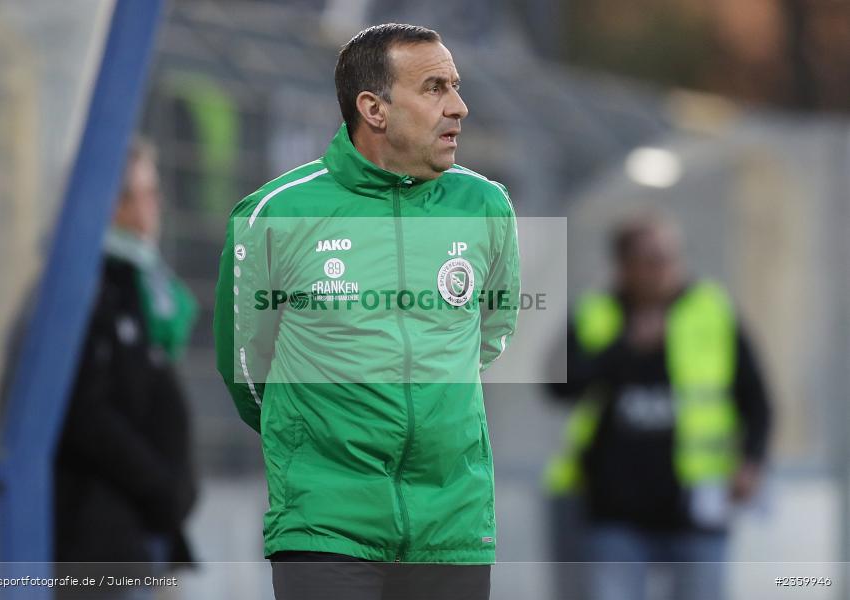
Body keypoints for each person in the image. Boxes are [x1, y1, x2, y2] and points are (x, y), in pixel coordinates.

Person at [213, 23, 520, 600]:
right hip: (327, 520)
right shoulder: (274, 213)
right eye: (434, 88)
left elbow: (491, 333)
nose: (459, 106)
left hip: (452, 519)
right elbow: (246, 366)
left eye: (455, 86)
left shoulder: (485, 205)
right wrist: (312, 433)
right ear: (373, 108)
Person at [543, 212, 772, 600]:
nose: (665, 269)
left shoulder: (711, 311)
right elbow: (559, 387)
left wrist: (751, 461)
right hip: (613, 510)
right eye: (651, 259)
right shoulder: (596, 313)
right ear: (623, 266)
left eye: (671, 257)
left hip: (697, 507)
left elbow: (757, 400)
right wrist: (623, 349)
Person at [55, 139, 198, 598]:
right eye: (127, 198)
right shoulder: (89, 287)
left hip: (148, 530)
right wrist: (159, 485)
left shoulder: (145, 288)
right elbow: (87, 412)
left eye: (150, 195)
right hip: (101, 538)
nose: (144, 213)